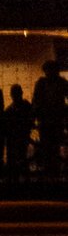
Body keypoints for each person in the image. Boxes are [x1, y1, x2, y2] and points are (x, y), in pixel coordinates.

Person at [34, 54, 68, 183]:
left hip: (49, 120)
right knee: (52, 148)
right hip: (53, 119)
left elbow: (36, 101)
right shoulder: (60, 82)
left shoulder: (42, 83)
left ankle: (50, 173)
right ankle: (54, 172)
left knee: (49, 147)